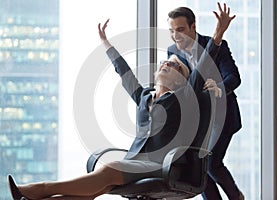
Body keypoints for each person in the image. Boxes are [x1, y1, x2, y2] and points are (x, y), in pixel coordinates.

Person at [7, 5, 234, 200]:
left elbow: (202, 67)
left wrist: (217, 34)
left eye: (175, 66)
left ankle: (39, 188)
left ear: (183, 81)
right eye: (165, 63)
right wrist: (106, 44)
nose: (167, 65)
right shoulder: (144, 96)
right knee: (96, 190)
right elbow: (124, 74)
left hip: (161, 165)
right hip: (135, 160)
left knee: (108, 171)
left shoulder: (182, 98)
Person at [167, 2, 244, 200]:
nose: (176, 36)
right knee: (198, 168)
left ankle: (236, 197)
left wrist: (218, 88)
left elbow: (234, 77)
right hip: (198, 120)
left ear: (193, 27)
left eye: (181, 30)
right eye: (172, 31)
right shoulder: (172, 52)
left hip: (222, 115)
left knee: (211, 163)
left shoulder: (217, 45)